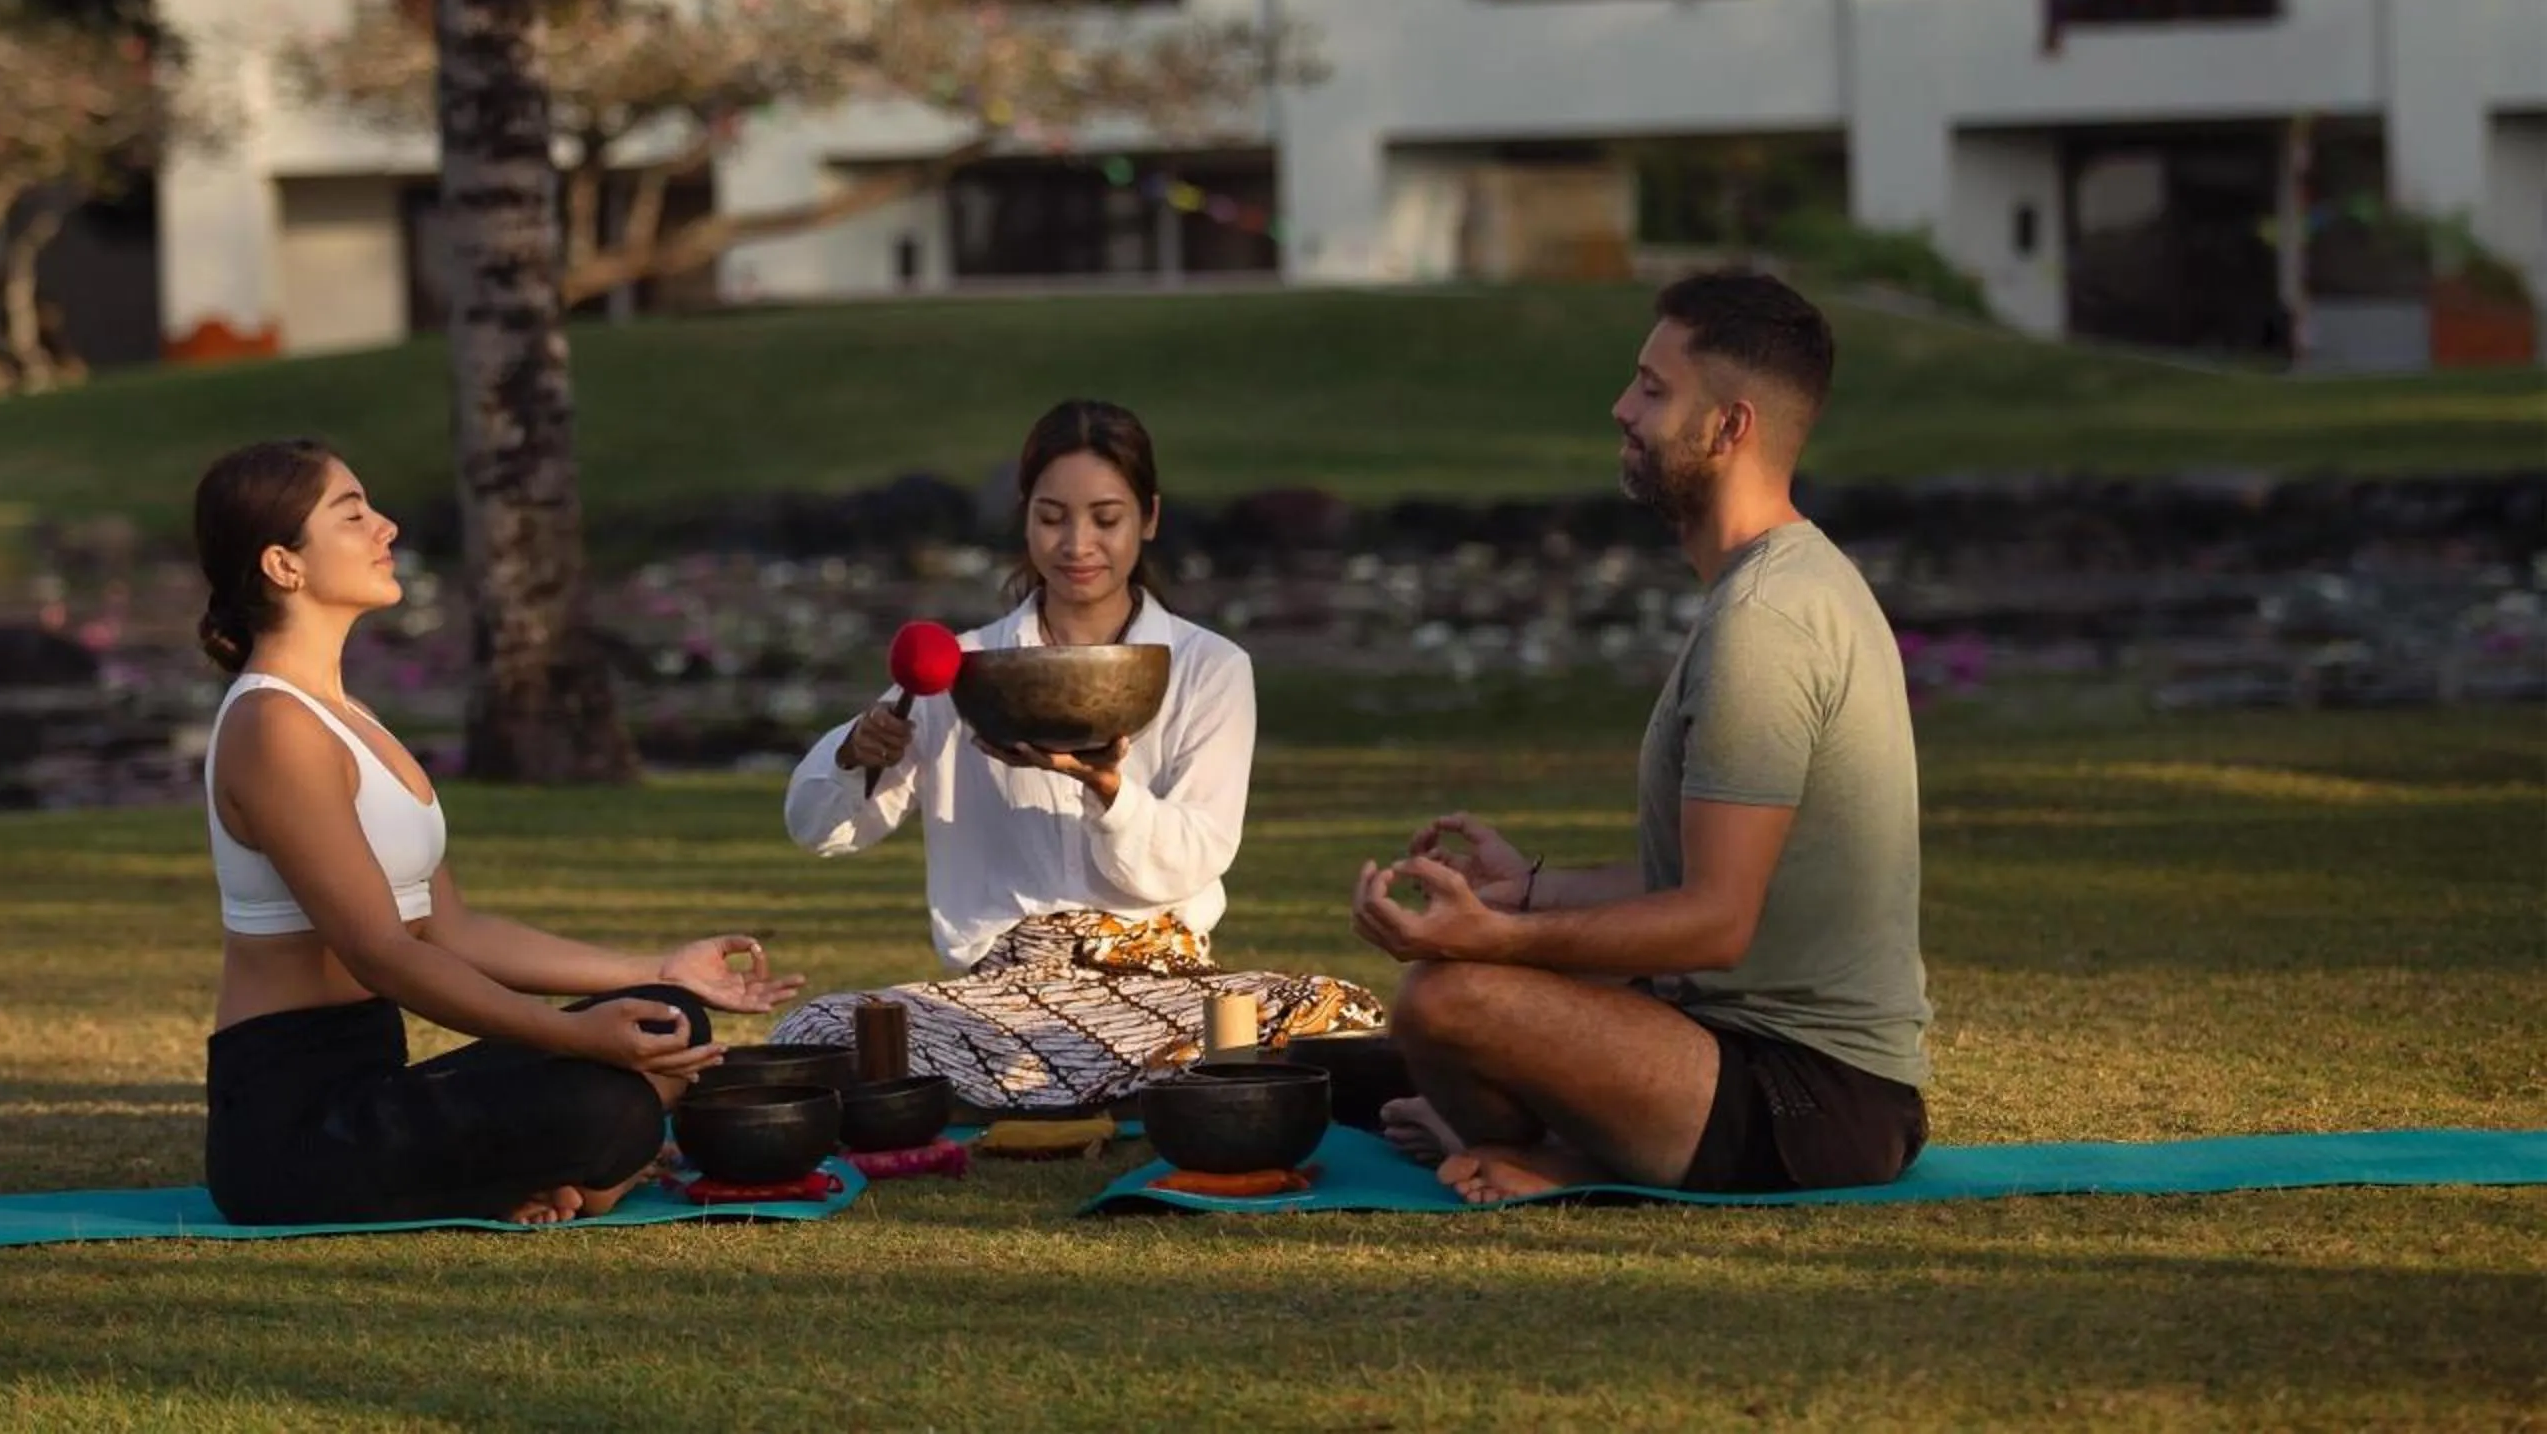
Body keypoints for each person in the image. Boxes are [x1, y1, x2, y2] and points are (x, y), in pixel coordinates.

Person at [1353, 271, 1931, 1203]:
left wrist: (1500, 938)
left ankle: (1559, 1154)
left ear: (1729, 426)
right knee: (1418, 1021)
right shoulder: (1775, 587)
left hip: (1812, 1101)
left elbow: (1715, 922)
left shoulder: (1766, 623)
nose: (1623, 408)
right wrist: (1528, 893)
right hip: (1737, 1052)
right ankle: (1540, 1139)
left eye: (1655, 391)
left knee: (1446, 997)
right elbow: (1701, 877)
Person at [191, 439, 802, 1225]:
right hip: (293, 1131)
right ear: (284, 565)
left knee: (664, 1015)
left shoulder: (347, 718)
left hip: (379, 1088)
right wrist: (575, 1037)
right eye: (352, 515)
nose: (386, 527)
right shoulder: (273, 726)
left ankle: (561, 1172)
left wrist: (659, 969)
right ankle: (580, 1171)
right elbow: (382, 954)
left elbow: (451, 929)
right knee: (604, 1106)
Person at [775, 399, 1381, 1110]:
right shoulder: (962, 666)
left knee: (1337, 1013)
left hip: (1166, 988)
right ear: (1025, 518)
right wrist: (856, 750)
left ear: (1148, 518)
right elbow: (819, 830)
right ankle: (1148, 1087)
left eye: (1106, 518)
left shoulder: (1209, 666)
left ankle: (1050, 1087)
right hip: (1002, 1002)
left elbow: (1197, 855)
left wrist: (1109, 793)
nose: (1077, 544)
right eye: (1053, 517)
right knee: (816, 1029)